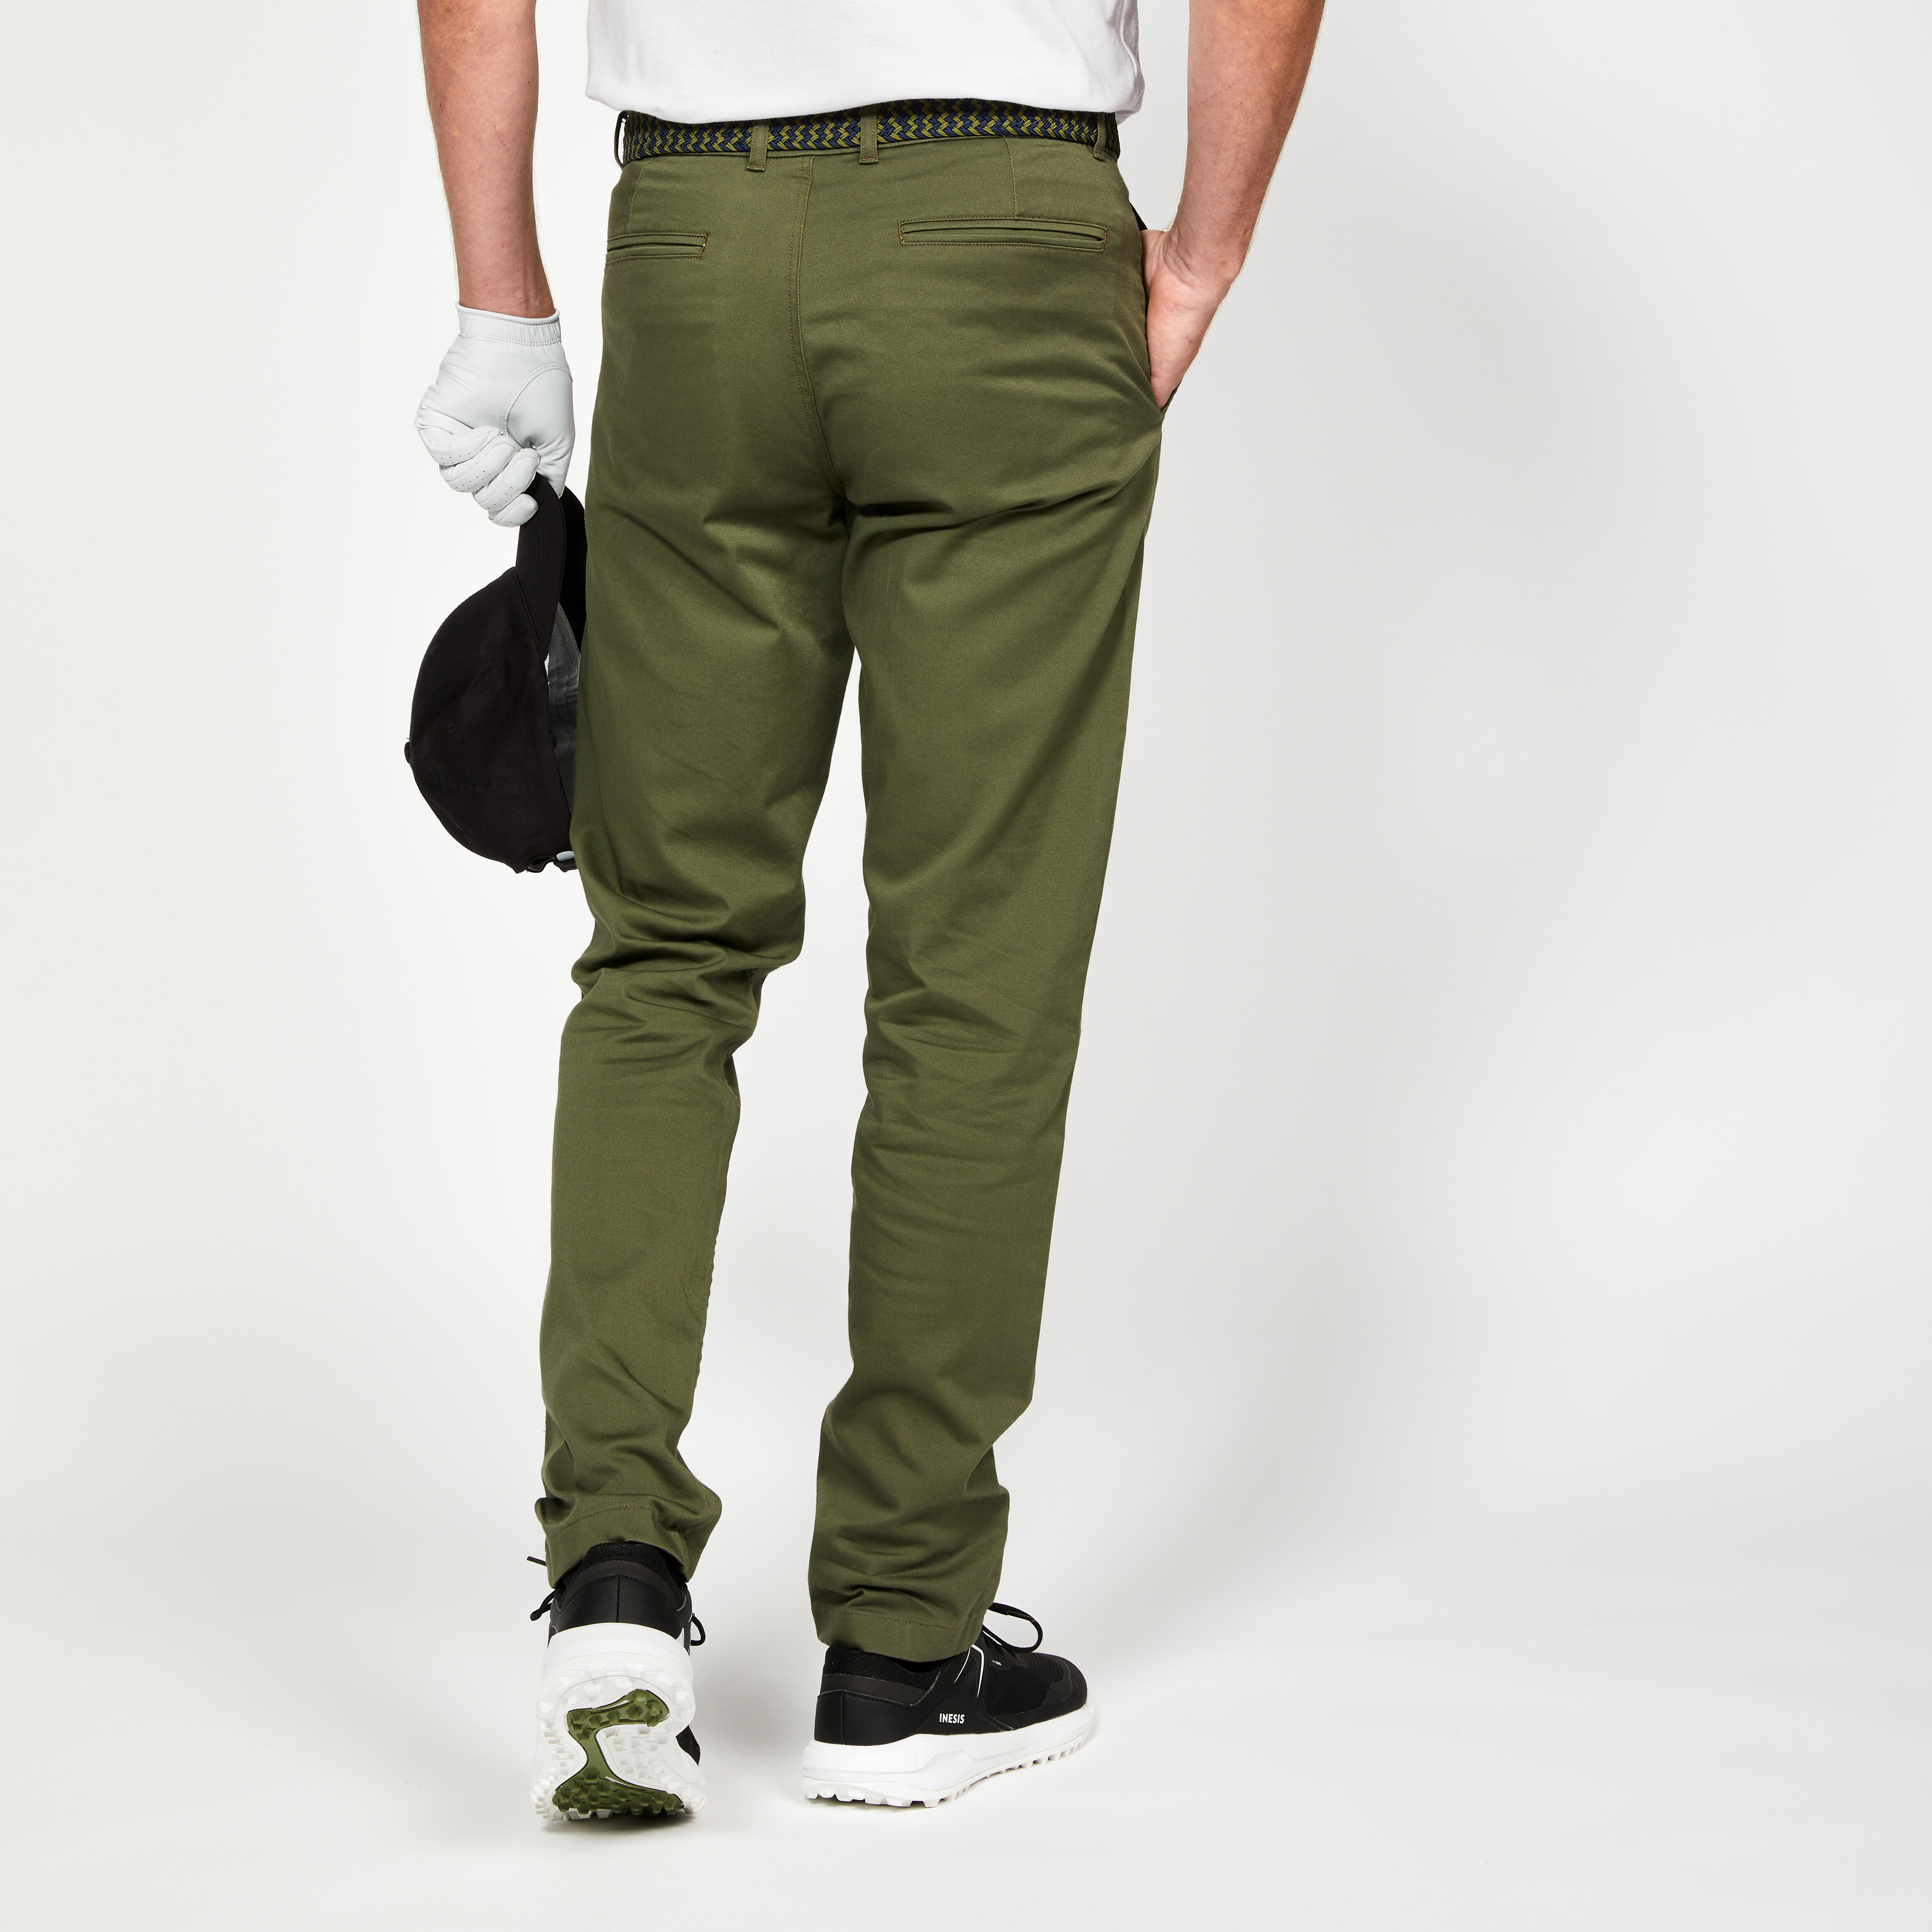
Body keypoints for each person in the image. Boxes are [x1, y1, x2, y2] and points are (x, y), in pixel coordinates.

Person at [414, 0, 1326, 1817]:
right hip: (1009, 244)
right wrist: (1202, 255)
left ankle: (611, 1581)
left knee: (665, 947)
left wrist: (503, 302)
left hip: (696, 244)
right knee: (974, 969)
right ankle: (904, 1649)